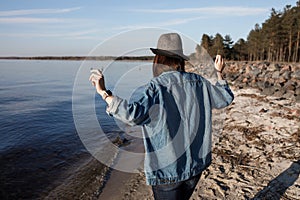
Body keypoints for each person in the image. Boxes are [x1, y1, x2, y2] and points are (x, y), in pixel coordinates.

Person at [89, 33, 234, 200]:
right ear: (179, 59)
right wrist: (219, 73)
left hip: (168, 170)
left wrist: (104, 93)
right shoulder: (198, 82)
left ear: (158, 59)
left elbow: (132, 115)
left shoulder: (155, 87)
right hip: (195, 166)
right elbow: (224, 98)